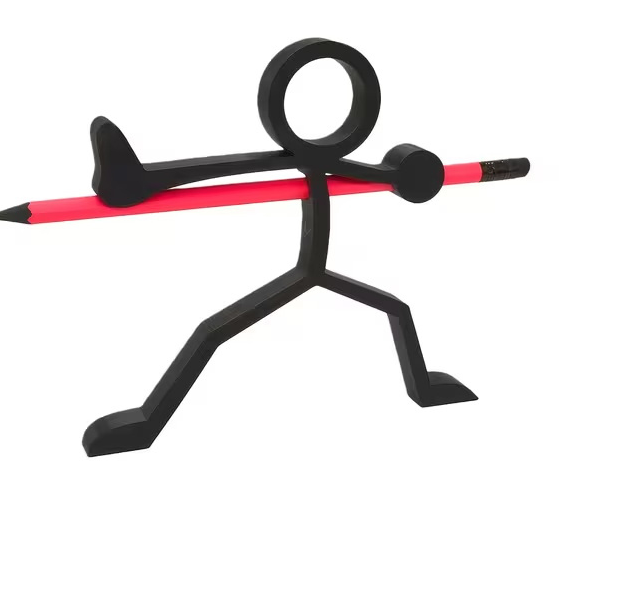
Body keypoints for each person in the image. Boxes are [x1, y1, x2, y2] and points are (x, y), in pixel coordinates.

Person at [83, 38, 476, 457]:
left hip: (315, 268)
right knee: (214, 333)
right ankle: (147, 424)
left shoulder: (335, 159)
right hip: (307, 269)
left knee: (394, 308)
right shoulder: (315, 156)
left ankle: (424, 386)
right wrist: (403, 175)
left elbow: (390, 176)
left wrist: (405, 175)